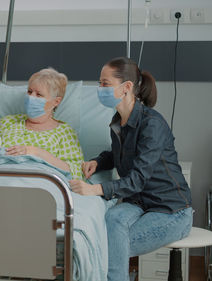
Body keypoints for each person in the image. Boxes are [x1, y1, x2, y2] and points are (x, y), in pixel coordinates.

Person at [69, 57, 192, 281]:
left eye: (105, 84)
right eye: (100, 83)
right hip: (138, 203)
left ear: (126, 88)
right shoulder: (118, 121)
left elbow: (137, 179)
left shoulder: (152, 124)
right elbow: (119, 155)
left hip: (170, 211)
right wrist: (99, 161)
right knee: (112, 218)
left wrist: (94, 189)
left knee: (104, 247)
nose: (99, 89)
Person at [0, 68, 84, 179]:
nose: (31, 97)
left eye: (39, 95)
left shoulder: (64, 133)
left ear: (56, 101)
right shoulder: (7, 122)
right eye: (29, 92)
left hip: (38, 184)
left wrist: (36, 152)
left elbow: (75, 173)